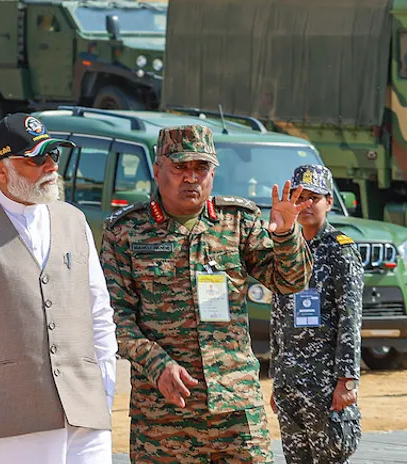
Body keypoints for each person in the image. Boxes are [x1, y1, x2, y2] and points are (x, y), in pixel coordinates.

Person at [100, 125, 313, 462]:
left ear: (213, 173)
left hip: (237, 411)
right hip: (165, 416)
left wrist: (287, 235)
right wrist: (157, 364)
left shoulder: (237, 222)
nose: (191, 178)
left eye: (201, 168)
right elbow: (114, 317)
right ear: (157, 171)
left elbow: (291, 282)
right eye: (180, 167)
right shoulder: (126, 231)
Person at [0, 113, 116, 462]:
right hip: (6, 417)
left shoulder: (74, 221)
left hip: (84, 412)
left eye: (53, 156)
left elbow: (98, 312)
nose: (50, 167)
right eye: (35, 159)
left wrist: (105, 387)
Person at [268, 165, 363, 464]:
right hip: (289, 382)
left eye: (314, 197)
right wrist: (276, 377)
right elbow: (278, 318)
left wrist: (346, 380)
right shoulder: (286, 248)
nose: (306, 205)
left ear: (329, 202)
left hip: (324, 383)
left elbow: (350, 319)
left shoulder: (340, 251)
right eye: (300, 197)